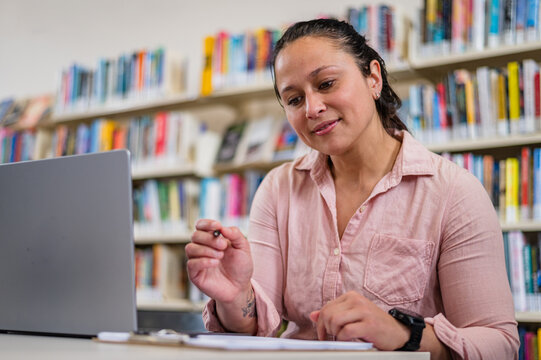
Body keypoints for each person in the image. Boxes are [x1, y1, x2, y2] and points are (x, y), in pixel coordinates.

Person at [185, 18, 519, 359]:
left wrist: (405, 334)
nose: (312, 108)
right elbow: (256, 325)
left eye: (327, 83)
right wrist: (235, 295)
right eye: (295, 100)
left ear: (373, 78)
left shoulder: (453, 192)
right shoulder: (278, 189)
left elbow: (498, 344)